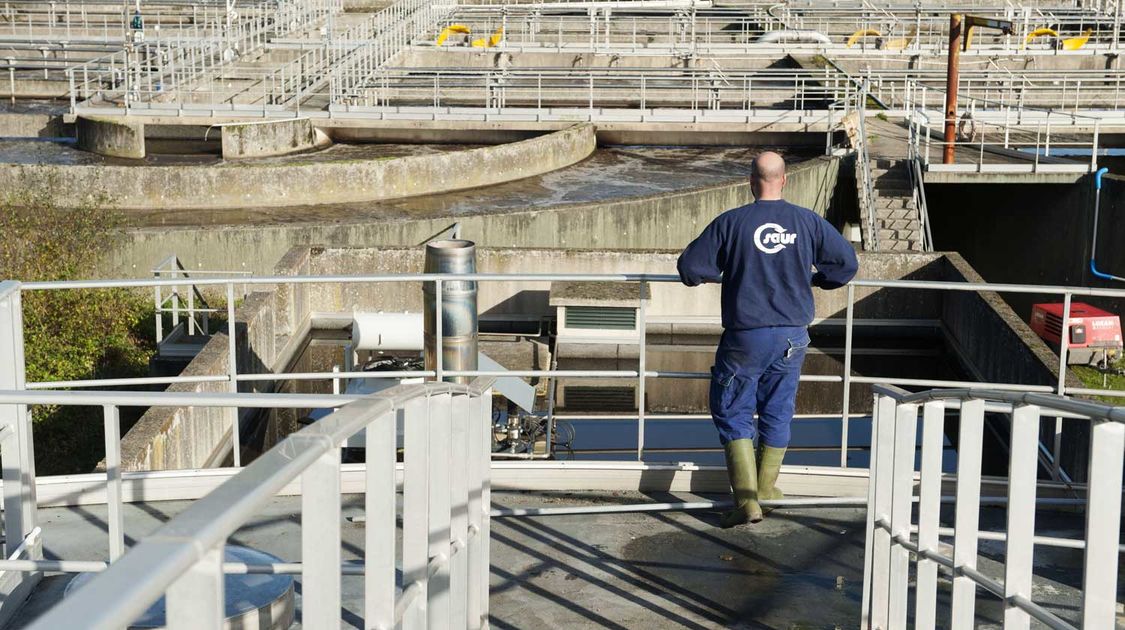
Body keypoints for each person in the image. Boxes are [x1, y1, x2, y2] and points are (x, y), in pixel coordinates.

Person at [677, 151, 858, 528]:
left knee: (732, 409)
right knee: (778, 408)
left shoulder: (732, 222)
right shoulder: (807, 222)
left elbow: (691, 268)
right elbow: (846, 265)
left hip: (747, 335)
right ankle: (766, 490)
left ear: (750, 180)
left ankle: (747, 502)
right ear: (785, 179)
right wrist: (818, 279)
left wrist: (723, 272)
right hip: (793, 335)